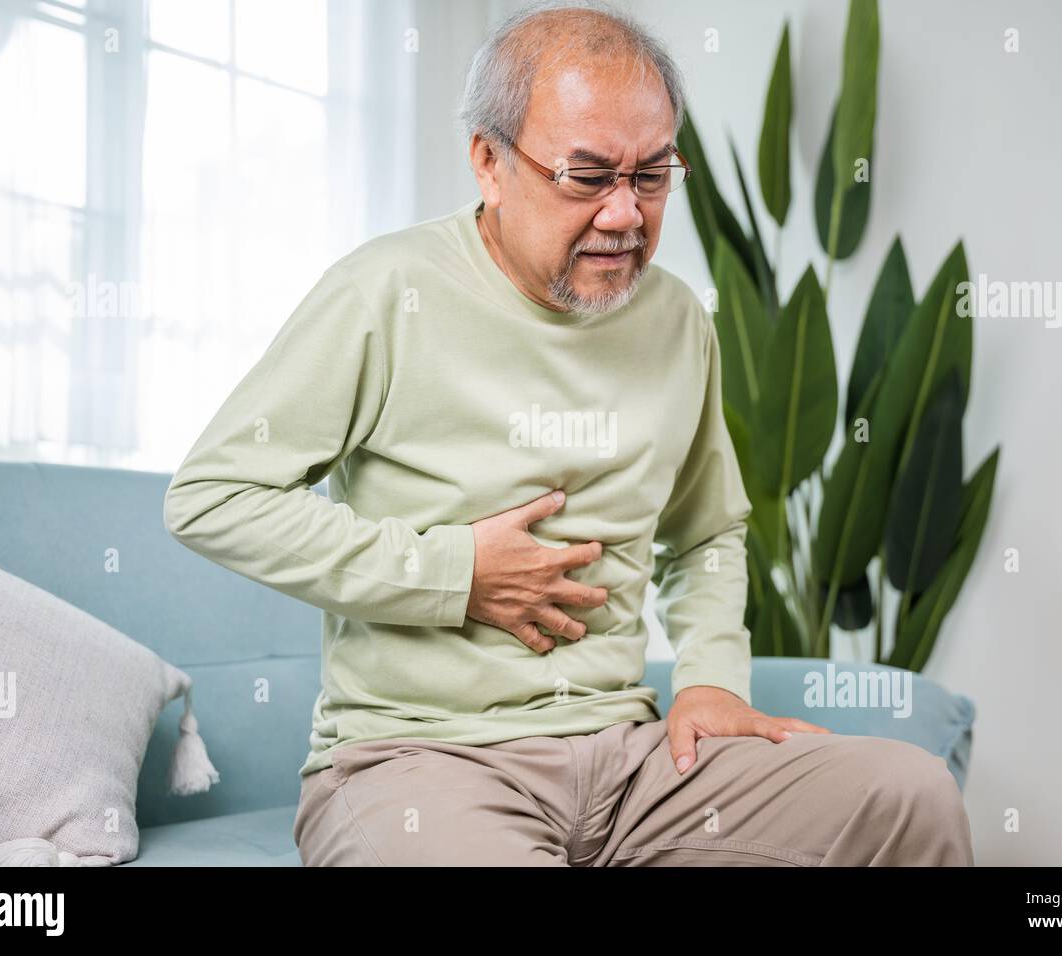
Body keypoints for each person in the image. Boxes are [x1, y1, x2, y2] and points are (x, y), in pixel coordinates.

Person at [163, 0, 974, 866]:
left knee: (909, 796)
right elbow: (213, 498)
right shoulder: (384, 293)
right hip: (420, 759)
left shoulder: (676, 321)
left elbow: (707, 532)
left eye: (653, 175)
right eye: (587, 178)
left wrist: (707, 681)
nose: (626, 214)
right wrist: (453, 571)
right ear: (489, 161)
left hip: (633, 763)